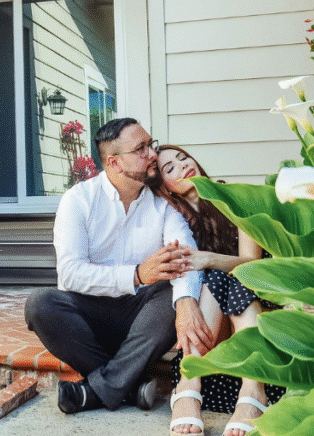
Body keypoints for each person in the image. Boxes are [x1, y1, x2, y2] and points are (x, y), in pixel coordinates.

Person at [24, 118, 214, 414]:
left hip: (144, 320)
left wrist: (187, 302)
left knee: (173, 293)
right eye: (141, 149)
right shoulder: (78, 200)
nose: (152, 154)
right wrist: (137, 274)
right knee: (41, 304)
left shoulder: (162, 206)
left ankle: (96, 391)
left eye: (151, 144)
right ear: (114, 162)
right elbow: (71, 274)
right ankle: (129, 385)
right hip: (90, 317)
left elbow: (185, 257)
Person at [150, 144, 286, 436]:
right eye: (170, 168)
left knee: (232, 277)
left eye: (184, 157)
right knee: (212, 279)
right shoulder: (173, 221)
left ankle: (252, 391)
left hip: (256, 315)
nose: (183, 165)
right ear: (165, 187)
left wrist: (209, 259)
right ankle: (189, 387)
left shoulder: (233, 199)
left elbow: (252, 264)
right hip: (211, 351)